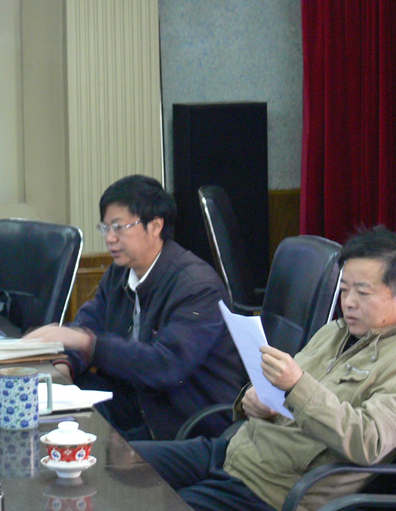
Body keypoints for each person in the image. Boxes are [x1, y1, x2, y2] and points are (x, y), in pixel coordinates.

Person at [132, 226, 396, 511]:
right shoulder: (337, 331)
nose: (348, 303)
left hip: (272, 496)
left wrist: (297, 386)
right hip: (236, 453)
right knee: (122, 465)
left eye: (363, 293)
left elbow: (369, 441)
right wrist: (253, 399)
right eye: (344, 289)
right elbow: (286, 394)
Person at [23, 174, 245, 441]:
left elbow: (165, 366)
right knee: (50, 403)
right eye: (105, 228)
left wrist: (85, 342)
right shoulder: (120, 273)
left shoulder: (197, 287)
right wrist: (65, 364)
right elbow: (87, 325)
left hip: (184, 422)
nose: (110, 238)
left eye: (119, 227)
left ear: (155, 226)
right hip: (136, 404)